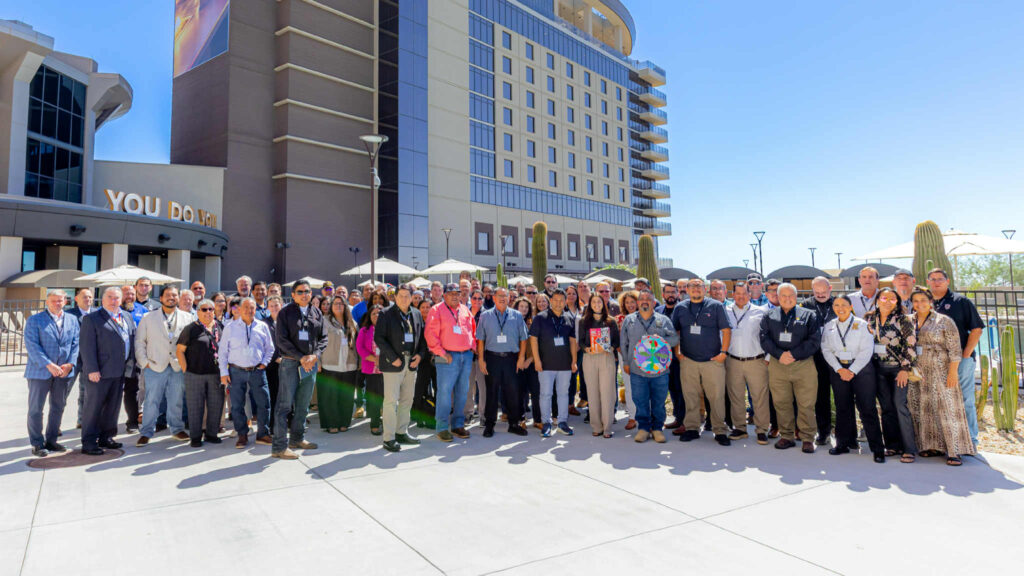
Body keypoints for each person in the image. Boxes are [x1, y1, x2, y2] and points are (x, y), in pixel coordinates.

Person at [908, 286, 976, 465]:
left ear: (930, 301)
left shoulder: (944, 321)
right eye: (916, 301)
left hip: (941, 369)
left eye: (923, 300)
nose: (919, 304)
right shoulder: (908, 321)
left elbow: (955, 349)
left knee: (947, 407)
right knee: (924, 408)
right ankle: (932, 446)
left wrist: (953, 372)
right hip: (918, 371)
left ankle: (955, 450)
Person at [820, 295, 885, 462]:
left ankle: (877, 448)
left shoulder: (862, 325)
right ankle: (844, 443)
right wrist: (839, 369)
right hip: (839, 369)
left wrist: (852, 370)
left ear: (850, 307)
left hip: (862, 370)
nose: (840, 308)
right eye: (836, 305)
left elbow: (867, 350)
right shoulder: (829, 326)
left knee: (867, 408)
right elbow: (826, 349)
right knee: (843, 407)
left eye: (843, 305)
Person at [759, 282, 821, 453]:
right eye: (784, 296)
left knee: (806, 403)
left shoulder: (809, 315)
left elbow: (814, 340)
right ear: (778, 297)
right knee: (781, 402)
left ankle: (808, 437)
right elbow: (764, 339)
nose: (787, 299)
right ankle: (786, 436)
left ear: (797, 296)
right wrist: (780, 354)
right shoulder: (769, 315)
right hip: (778, 365)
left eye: (791, 295)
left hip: (803, 364)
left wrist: (793, 354)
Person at [925, 268, 984, 448]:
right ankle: (944, 440)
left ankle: (971, 440)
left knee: (965, 399)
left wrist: (965, 355)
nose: (936, 282)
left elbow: (976, 329)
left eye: (940, 279)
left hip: (960, 360)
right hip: (933, 361)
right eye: (933, 279)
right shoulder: (924, 302)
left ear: (947, 281)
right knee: (937, 400)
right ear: (928, 282)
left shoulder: (961, 301)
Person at [271, 279, 327, 459]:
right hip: (290, 363)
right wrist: (300, 357)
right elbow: (281, 340)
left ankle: (297, 438)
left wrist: (315, 356)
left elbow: (323, 338)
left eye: (307, 292)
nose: (304, 295)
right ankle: (279, 447)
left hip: (310, 364)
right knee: (284, 406)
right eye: (300, 292)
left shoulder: (316, 312)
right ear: (293, 295)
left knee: (303, 405)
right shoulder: (285, 313)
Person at [672, 279, 732, 445]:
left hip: (712, 361)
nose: (696, 289)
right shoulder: (681, 308)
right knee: (690, 396)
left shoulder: (715, 306)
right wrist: (677, 352)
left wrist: (723, 353)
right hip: (688, 360)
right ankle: (692, 428)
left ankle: (719, 430)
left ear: (705, 289)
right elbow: (675, 330)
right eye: (692, 286)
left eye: (699, 286)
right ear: (687, 290)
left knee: (716, 397)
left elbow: (726, 330)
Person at [79, 287, 135, 455]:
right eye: (110, 297)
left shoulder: (126, 316)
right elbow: (86, 347)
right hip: (99, 372)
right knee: (94, 407)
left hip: (119, 371)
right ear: (102, 299)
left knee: (113, 407)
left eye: (117, 298)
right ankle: (89, 442)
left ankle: (107, 437)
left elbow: (130, 338)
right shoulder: (92, 319)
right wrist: (92, 369)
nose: (113, 301)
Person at [135, 285, 193, 446]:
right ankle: (146, 431)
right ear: (161, 298)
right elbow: (140, 342)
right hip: (154, 366)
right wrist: (144, 362)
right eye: (167, 295)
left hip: (177, 366)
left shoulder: (187, 318)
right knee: (151, 400)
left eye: (174, 295)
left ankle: (177, 429)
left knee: (176, 400)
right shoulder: (148, 317)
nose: (171, 297)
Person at [24, 290, 79, 456]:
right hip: (40, 371)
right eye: (53, 300)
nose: (57, 303)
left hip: (63, 373)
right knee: (36, 409)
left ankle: (52, 441)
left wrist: (70, 363)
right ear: (47, 302)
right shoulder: (35, 320)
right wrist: (49, 365)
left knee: (58, 407)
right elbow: (32, 345)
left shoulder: (72, 319)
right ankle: (37, 443)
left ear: (65, 301)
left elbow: (76, 343)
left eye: (60, 300)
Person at [865, 287, 918, 462]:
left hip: (898, 370)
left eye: (892, 299)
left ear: (897, 302)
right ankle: (892, 445)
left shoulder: (903, 320)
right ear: (877, 299)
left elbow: (910, 346)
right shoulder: (869, 319)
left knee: (900, 405)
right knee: (886, 408)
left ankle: (908, 448)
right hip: (878, 369)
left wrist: (904, 369)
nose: (887, 301)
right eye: (884, 297)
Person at [374, 285, 427, 452]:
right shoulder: (385, 314)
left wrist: (420, 355)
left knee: (407, 399)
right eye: (401, 296)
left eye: (407, 296)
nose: (404, 299)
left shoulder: (416, 314)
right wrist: (393, 358)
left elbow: (422, 338)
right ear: (395, 297)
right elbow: (379, 338)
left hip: (411, 362)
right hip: (393, 363)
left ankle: (401, 432)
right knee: (391, 401)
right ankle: (388, 438)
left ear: (411, 298)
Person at [621, 290, 679, 443]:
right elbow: (623, 343)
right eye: (642, 299)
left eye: (648, 298)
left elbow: (674, 339)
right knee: (639, 400)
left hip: (660, 370)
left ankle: (657, 428)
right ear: (638, 302)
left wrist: (661, 339)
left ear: (654, 302)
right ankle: (643, 428)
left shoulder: (664, 320)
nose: (645, 301)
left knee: (659, 401)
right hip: (637, 370)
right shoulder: (629, 320)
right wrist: (626, 363)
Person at [219, 298, 275, 449]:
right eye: (246, 307)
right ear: (239, 309)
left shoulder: (262, 326)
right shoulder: (230, 327)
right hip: (236, 371)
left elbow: (270, 348)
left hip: (257, 370)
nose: (249, 310)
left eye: (252, 308)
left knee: (264, 403)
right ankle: (242, 434)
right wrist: (224, 372)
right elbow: (223, 351)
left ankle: (263, 433)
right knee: (237, 405)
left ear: (255, 309)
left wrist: (264, 363)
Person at [424, 283, 476, 441]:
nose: (455, 296)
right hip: (447, 357)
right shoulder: (437, 309)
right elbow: (430, 334)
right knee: (445, 393)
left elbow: (472, 329)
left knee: (462, 392)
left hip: (465, 356)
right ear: (444, 295)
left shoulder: (465, 309)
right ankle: (441, 427)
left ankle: (458, 425)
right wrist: (442, 353)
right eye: (451, 293)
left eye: (457, 293)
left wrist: (472, 347)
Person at [476, 287, 530, 437]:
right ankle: (489, 424)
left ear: (509, 298)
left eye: (505, 296)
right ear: (493, 298)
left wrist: (521, 358)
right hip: (492, 358)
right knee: (491, 392)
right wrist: (481, 359)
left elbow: (524, 338)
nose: (502, 298)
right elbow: (480, 339)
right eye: (499, 296)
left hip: (511, 358)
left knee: (513, 391)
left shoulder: (517, 315)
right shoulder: (485, 316)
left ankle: (514, 423)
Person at [725, 281, 771, 444]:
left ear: (749, 294)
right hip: (733, 361)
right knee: (736, 396)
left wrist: (767, 359)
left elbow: (768, 336)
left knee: (760, 397)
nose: (741, 297)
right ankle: (740, 428)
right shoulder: (726, 311)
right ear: (732, 295)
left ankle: (761, 429)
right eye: (737, 294)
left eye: (744, 293)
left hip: (756, 361)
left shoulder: (761, 312)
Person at [529, 288, 578, 438]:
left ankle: (562, 422)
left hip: (565, 364)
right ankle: (546, 423)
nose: (558, 303)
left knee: (563, 394)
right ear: (551, 301)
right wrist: (537, 361)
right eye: (555, 300)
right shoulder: (540, 317)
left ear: (565, 302)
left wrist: (574, 361)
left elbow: (572, 341)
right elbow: (533, 340)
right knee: (545, 394)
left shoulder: (569, 318)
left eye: (561, 301)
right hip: (545, 364)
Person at [175, 299, 224, 447]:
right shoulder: (191, 328)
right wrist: (186, 370)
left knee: (216, 405)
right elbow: (179, 351)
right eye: (204, 309)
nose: (208, 312)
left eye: (211, 309)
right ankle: (195, 437)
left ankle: (211, 434)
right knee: (195, 406)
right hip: (195, 374)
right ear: (198, 312)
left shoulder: (220, 326)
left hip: (216, 374)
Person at [577, 294, 620, 437]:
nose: (596, 304)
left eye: (599, 302)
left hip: (606, 357)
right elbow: (581, 341)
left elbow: (616, 342)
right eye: (593, 302)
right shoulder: (584, 321)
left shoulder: (610, 321)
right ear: (590, 304)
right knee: (593, 392)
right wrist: (586, 349)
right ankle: (596, 426)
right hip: (590, 358)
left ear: (603, 303)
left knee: (607, 392)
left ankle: (607, 427)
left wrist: (611, 348)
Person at [801, 276, 836, 445]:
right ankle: (824, 432)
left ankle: (847, 434)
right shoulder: (806, 305)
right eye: (817, 292)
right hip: (815, 357)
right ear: (812, 290)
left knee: (842, 396)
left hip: (837, 357)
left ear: (830, 288)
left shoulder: (839, 304)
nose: (821, 295)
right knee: (820, 396)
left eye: (824, 291)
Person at [318, 296, 359, 434]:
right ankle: (331, 424)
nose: (338, 306)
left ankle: (344, 422)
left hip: (349, 365)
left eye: (341, 303)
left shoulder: (352, 323)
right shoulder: (324, 321)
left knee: (346, 397)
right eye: (335, 303)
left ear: (346, 306)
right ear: (331, 306)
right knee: (330, 396)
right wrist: (317, 360)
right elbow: (317, 342)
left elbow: (357, 344)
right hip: (330, 364)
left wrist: (358, 362)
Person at [655, 284, 684, 432]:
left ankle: (683, 420)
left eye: (673, 292)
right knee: (671, 388)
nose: (671, 295)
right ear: (663, 294)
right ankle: (677, 418)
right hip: (661, 356)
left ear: (678, 293)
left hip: (679, 356)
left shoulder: (683, 309)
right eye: (668, 292)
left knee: (681, 389)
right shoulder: (658, 311)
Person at [65, 287, 94, 429]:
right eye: (84, 297)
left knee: (86, 392)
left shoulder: (97, 314)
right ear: (76, 299)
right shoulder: (68, 314)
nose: (87, 299)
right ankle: (55, 423)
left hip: (90, 361)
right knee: (64, 391)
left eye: (89, 297)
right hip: (73, 360)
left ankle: (82, 420)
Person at [356, 305, 385, 435]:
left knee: (386, 398)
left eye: (379, 313)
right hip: (371, 369)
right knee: (374, 397)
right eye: (373, 313)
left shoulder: (388, 329)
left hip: (387, 369)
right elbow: (359, 348)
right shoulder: (364, 330)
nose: (376, 316)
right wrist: (373, 358)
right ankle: (374, 423)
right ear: (369, 316)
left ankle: (387, 422)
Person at [514, 297, 542, 429]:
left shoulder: (534, 322)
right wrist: (520, 360)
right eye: (521, 306)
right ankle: (520, 418)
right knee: (519, 392)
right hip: (517, 362)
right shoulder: (511, 321)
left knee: (536, 391)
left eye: (526, 307)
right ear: (516, 307)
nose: (524, 309)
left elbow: (538, 343)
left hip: (531, 362)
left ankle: (538, 419)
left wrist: (530, 359)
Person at [412, 299, 437, 430]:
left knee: (438, 389)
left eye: (428, 307)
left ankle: (434, 416)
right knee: (420, 389)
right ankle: (419, 416)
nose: (426, 309)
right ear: (418, 308)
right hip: (421, 360)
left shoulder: (436, 321)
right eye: (423, 307)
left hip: (436, 359)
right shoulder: (415, 322)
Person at [617, 291, 640, 430]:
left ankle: (644, 415)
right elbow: (615, 338)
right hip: (624, 356)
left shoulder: (643, 316)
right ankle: (632, 416)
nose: (630, 305)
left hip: (642, 355)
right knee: (628, 384)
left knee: (643, 385)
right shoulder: (618, 319)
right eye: (627, 302)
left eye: (633, 302)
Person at [464, 290, 487, 422]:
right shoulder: (464, 312)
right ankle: (468, 412)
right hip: (467, 354)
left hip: (481, 355)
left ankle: (483, 414)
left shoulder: (486, 314)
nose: (477, 301)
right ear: (470, 299)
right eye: (474, 298)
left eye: (480, 298)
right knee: (468, 385)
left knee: (483, 387)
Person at [263, 295, 285, 432]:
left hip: (287, 363)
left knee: (286, 395)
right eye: (271, 306)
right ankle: (272, 425)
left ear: (281, 306)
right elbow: (264, 344)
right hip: (271, 365)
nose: (274, 308)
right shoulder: (264, 323)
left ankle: (286, 421)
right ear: (267, 307)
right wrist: (276, 357)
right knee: (273, 395)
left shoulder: (287, 322)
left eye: (276, 305)